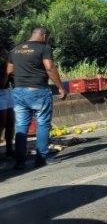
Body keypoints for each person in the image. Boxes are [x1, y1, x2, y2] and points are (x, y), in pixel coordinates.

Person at [6, 27, 67, 169]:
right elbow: (50, 68)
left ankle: (20, 161)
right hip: (38, 90)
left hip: (18, 92)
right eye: (48, 37)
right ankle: (42, 158)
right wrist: (60, 87)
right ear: (44, 35)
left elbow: (9, 71)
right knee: (43, 124)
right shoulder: (44, 48)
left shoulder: (15, 50)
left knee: (21, 126)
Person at [0, 47, 15, 159]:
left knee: (10, 122)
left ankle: (9, 149)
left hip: (7, 91)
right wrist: (7, 72)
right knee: (1, 123)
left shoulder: (5, 59)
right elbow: (2, 82)